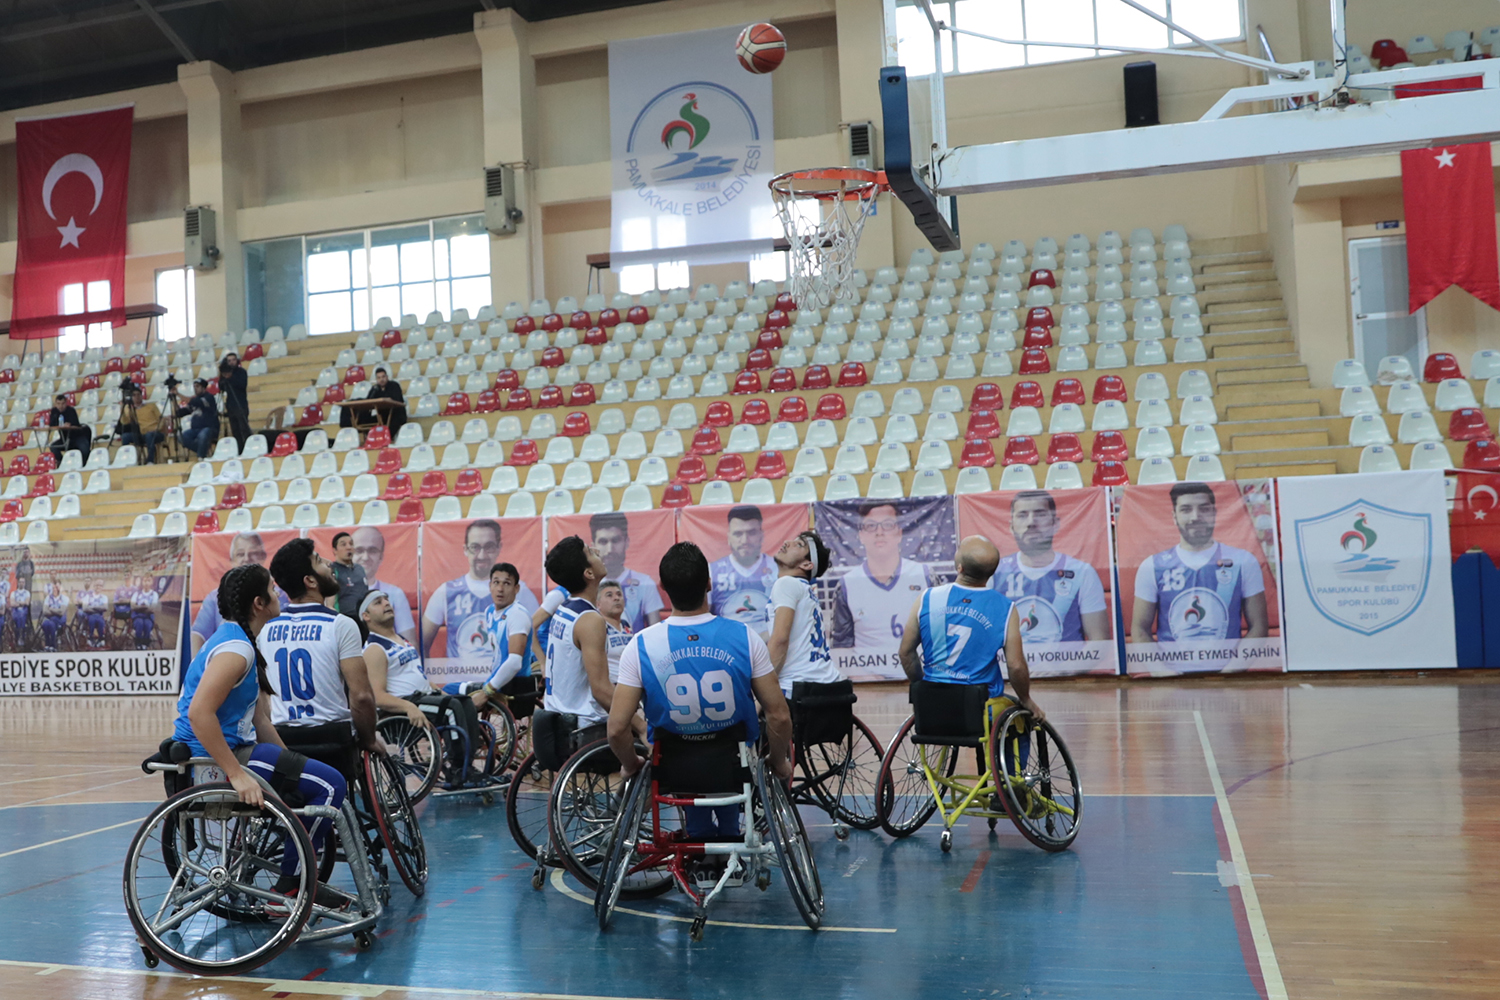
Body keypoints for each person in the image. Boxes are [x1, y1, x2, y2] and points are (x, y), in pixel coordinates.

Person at [171, 563, 347, 905]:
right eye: (271, 589)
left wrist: (292, 763)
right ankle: (292, 885)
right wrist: (236, 775)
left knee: (313, 778)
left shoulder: (239, 641)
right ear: (258, 603)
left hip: (233, 751)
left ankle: (296, 874)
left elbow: (261, 721)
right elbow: (199, 713)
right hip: (215, 761)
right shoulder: (235, 650)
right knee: (331, 785)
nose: (278, 593)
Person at [608, 541, 794, 845]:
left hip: (674, 769)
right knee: (731, 758)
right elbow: (779, 715)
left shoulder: (640, 646)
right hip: (734, 765)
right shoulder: (744, 637)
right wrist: (777, 760)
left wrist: (630, 764)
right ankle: (729, 838)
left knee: (686, 764)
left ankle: (700, 844)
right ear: (708, 584)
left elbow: (616, 729)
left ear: (663, 588)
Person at [897, 536, 1045, 722]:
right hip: (981, 706)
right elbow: (1015, 665)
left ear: (960, 568)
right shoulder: (1005, 608)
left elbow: (905, 653)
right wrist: (1026, 699)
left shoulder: (927, 598)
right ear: (991, 572)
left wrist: (922, 688)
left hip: (933, 703)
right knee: (1021, 725)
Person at [261, 538, 383, 763]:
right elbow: (361, 696)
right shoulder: (341, 624)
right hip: (333, 740)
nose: (329, 563)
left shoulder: (265, 628)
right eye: (319, 560)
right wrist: (369, 739)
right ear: (310, 581)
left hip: (283, 740)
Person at [362, 590, 484, 773]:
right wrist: (408, 707)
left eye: (386, 599)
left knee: (464, 702)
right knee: (451, 708)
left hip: (422, 698)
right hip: (403, 709)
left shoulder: (401, 640)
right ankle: (459, 770)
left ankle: (470, 764)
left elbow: (420, 677)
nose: (386, 603)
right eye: (377, 602)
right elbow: (377, 697)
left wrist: (442, 693)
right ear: (366, 616)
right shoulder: (374, 649)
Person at [1130, 483, 1269, 643]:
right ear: (1174, 517)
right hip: (1171, 660)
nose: (1195, 517)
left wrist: (1234, 661)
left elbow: (1259, 627)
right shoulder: (1153, 566)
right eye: (1186, 510)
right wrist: (1162, 662)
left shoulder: (1243, 561)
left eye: (1204, 509)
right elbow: (1140, 630)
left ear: (1214, 513)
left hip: (1229, 659)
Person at [993, 491, 1110, 643]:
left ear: (1056, 524)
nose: (1031, 522)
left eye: (1040, 514)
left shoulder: (1082, 572)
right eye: (1022, 515)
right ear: (1011, 527)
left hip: (1067, 659)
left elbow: (1099, 641)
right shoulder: (994, 572)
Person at [423, 519, 537, 659]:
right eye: (475, 547)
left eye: (489, 547)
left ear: (499, 548)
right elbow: (422, 644)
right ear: (465, 549)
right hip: (459, 673)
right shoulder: (446, 592)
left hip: (505, 672)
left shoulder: (520, 591)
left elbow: (537, 638)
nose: (482, 555)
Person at [831, 503, 933, 650]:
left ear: (899, 533)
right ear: (861, 536)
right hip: (867, 665)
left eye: (888, 525)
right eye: (871, 526)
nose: (879, 532)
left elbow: (941, 633)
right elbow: (841, 648)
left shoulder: (925, 576)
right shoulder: (846, 585)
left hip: (918, 665)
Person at [540, 536, 613, 736]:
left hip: (558, 717)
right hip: (585, 727)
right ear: (588, 573)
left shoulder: (564, 608)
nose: (597, 551)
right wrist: (640, 725)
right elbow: (601, 691)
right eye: (590, 552)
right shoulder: (589, 620)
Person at [766, 531, 842, 695]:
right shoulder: (804, 590)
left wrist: (762, 687)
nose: (787, 542)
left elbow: (780, 640)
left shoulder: (786, 583)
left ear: (807, 565)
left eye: (799, 544)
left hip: (798, 686)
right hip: (830, 684)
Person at [192, 532, 289, 656]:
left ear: (263, 557)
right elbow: (198, 634)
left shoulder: (279, 595)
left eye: (253, 553)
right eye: (240, 554)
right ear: (232, 561)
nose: (247, 558)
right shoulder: (214, 598)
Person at [471, 562, 537, 708]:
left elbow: (514, 663)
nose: (500, 589)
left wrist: (486, 691)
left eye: (507, 583)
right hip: (496, 681)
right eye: (496, 582)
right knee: (448, 691)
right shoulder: (489, 611)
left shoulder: (517, 615)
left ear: (516, 588)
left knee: (453, 698)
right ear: (490, 586)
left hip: (513, 684)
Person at [590, 512, 665, 631]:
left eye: (616, 540)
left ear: (627, 542)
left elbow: (656, 631)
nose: (610, 549)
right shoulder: (587, 585)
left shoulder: (645, 583)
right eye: (603, 542)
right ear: (593, 546)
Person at [708, 505, 778, 630]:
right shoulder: (711, 571)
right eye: (738, 534)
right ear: (729, 537)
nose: (745, 540)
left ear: (761, 535)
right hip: (726, 641)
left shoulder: (777, 568)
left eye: (751, 533)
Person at [351, 526, 417, 645]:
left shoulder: (395, 594)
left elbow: (410, 643)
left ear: (381, 557)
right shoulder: (335, 594)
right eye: (359, 550)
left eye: (372, 551)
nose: (365, 557)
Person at [342, 366, 406, 439]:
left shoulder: (394, 386)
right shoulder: (375, 389)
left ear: (387, 377)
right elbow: (368, 401)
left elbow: (396, 401)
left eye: (383, 377)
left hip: (396, 414)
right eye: (379, 378)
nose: (381, 379)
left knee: (392, 422)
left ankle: (385, 440)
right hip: (382, 415)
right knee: (364, 419)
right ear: (376, 379)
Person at [115, 386, 164, 463]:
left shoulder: (151, 406)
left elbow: (161, 419)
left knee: (149, 435)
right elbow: (124, 422)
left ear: (141, 396)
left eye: (139, 394)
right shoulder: (131, 410)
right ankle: (127, 459)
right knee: (125, 436)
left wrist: (158, 428)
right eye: (134, 395)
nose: (137, 397)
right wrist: (122, 408)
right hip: (141, 434)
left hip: (155, 433)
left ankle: (150, 461)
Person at [598, 580, 632, 683]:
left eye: (619, 594)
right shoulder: (597, 627)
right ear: (598, 604)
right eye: (609, 595)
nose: (616, 598)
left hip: (631, 682)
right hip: (612, 684)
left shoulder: (626, 625)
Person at [176, 378, 219, 460]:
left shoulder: (209, 397)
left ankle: (201, 456)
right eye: (194, 386)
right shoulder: (194, 400)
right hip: (195, 429)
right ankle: (203, 451)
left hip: (209, 428)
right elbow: (181, 413)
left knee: (202, 435)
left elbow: (196, 402)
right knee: (181, 437)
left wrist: (178, 394)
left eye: (198, 386)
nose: (195, 388)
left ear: (203, 388)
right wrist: (174, 402)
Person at [329, 532, 368, 619]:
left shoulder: (360, 569)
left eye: (351, 544)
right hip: (345, 619)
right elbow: (330, 604)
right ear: (335, 550)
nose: (348, 547)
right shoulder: (332, 570)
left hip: (364, 619)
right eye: (343, 544)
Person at [46, 394, 90, 466]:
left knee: (85, 449)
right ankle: (63, 463)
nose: (61, 406)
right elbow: (51, 424)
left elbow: (76, 424)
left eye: (63, 403)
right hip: (64, 439)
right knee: (53, 447)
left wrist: (70, 424)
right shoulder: (54, 411)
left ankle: (83, 465)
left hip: (77, 437)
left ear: (66, 403)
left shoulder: (71, 410)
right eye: (58, 404)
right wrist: (60, 425)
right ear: (55, 404)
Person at [219, 352, 251, 449]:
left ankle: (248, 447)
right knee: (235, 430)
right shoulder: (225, 373)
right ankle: (239, 449)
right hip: (231, 405)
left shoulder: (242, 372)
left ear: (237, 361)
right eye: (229, 361)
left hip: (241, 404)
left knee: (244, 428)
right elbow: (221, 387)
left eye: (233, 360)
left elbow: (242, 385)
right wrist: (222, 375)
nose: (232, 362)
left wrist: (230, 377)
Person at [40, 581, 69, 651]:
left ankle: (52, 645)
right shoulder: (48, 598)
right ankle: (47, 645)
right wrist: (56, 611)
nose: (55, 589)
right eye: (53, 588)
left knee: (51, 624)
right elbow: (45, 611)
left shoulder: (65, 598)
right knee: (45, 624)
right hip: (50, 619)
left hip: (60, 619)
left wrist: (50, 609)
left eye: (56, 588)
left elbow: (61, 612)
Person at [131, 579, 160, 648]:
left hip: (148, 617)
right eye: (145, 581)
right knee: (139, 623)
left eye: (148, 581)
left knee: (147, 624)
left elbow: (152, 608)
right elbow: (132, 606)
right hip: (137, 616)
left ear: (151, 582)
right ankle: (138, 643)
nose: (146, 583)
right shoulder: (136, 593)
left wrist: (139, 608)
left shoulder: (154, 594)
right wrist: (145, 607)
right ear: (142, 582)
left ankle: (145, 644)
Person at [81, 579, 109, 648]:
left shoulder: (104, 597)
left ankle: (101, 638)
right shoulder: (87, 596)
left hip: (99, 616)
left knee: (100, 621)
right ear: (94, 586)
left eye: (100, 586)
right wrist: (98, 608)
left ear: (102, 587)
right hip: (90, 616)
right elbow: (85, 608)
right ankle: (90, 637)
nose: (98, 587)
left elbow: (105, 607)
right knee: (92, 620)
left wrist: (92, 607)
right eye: (97, 585)